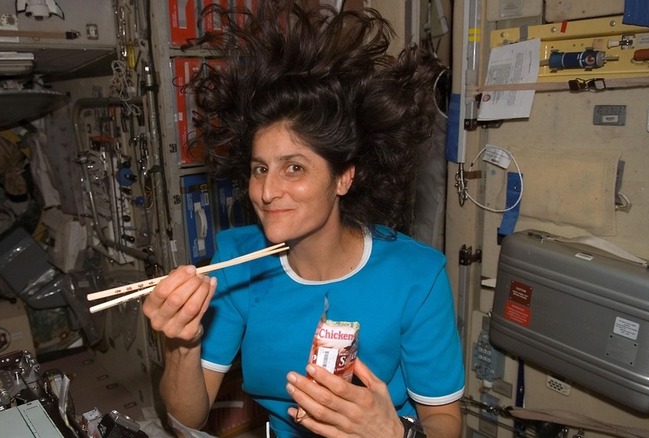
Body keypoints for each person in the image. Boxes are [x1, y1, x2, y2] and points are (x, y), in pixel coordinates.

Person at [142, 1, 464, 437]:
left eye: (294, 167)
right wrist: (180, 345)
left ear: (343, 178)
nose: (267, 191)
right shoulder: (237, 261)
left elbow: (445, 422)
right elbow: (187, 420)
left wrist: (397, 434)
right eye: (260, 168)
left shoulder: (417, 277)